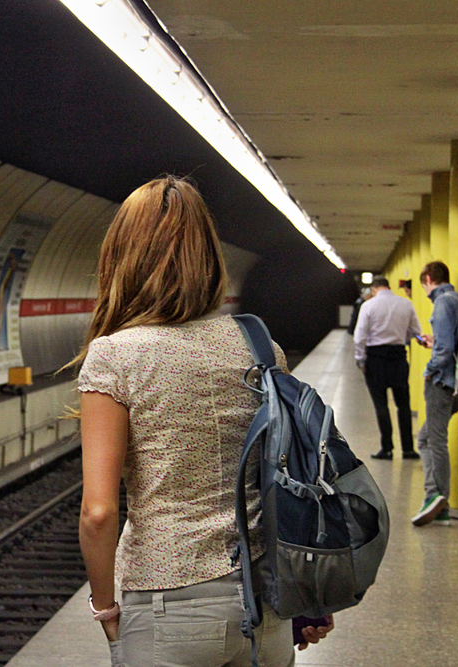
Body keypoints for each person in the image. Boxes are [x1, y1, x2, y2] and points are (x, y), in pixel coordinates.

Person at [74, 176, 331, 667]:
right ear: (209, 256)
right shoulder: (258, 345)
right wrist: (310, 593)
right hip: (264, 601)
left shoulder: (114, 356)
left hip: (169, 603)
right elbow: (294, 475)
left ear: (121, 256)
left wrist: (105, 606)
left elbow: (99, 512)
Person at [410, 261, 458, 527]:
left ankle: (435, 498)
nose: (425, 293)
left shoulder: (442, 303)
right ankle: (440, 506)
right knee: (426, 438)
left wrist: (429, 370)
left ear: (428, 278)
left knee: (434, 441)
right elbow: (457, 342)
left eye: (424, 286)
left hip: (443, 382)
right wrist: (434, 342)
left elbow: (444, 350)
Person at [353, 277, 422, 460]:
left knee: (381, 405)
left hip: (375, 358)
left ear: (374, 289)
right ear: (389, 287)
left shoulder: (368, 306)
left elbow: (359, 337)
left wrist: (361, 359)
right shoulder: (405, 304)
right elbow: (416, 331)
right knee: (403, 405)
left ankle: (387, 448)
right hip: (398, 356)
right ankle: (408, 449)